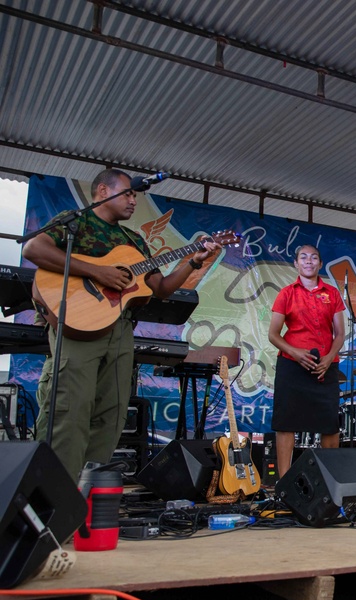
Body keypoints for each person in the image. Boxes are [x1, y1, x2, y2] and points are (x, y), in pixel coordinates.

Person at [24, 168, 220, 479]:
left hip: (119, 330)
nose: (133, 200)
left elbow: (163, 288)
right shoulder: (76, 222)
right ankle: (53, 496)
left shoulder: (134, 241)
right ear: (103, 191)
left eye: (135, 196)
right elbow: (34, 249)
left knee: (111, 415)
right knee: (69, 412)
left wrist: (195, 260)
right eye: (128, 193)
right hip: (78, 327)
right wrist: (96, 272)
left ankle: (90, 495)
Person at [268, 244, 346, 478]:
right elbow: (273, 334)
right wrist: (295, 353)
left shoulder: (332, 293)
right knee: (286, 423)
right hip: (292, 365)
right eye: (303, 257)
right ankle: (284, 482)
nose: (309, 261)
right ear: (296, 264)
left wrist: (329, 358)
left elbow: (340, 333)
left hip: (324, 366)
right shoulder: (286, 293)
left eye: (314, 258)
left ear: (320, 264)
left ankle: (330, 480)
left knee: (329, 424)